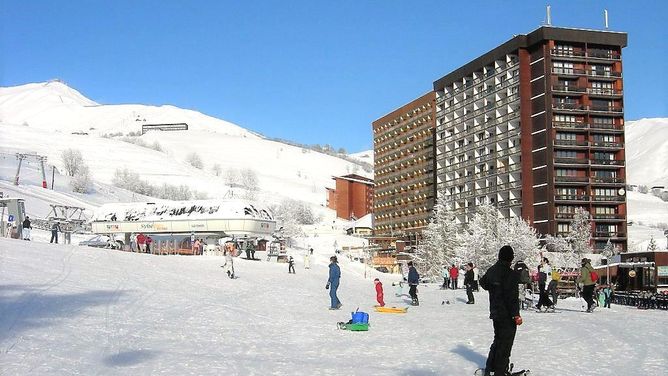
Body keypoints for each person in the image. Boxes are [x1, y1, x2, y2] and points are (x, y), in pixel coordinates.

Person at [479, 245, 522, 376]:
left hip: (495, 312)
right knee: (505, 343)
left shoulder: (492, 270)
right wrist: (516, 315)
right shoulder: (511, 274)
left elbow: (483, 282)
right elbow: (512, 297)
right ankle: (499, 371)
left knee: (498, 340)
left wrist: (494, 288)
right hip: (507, 314)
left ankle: (490, 369)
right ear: (510, 258)